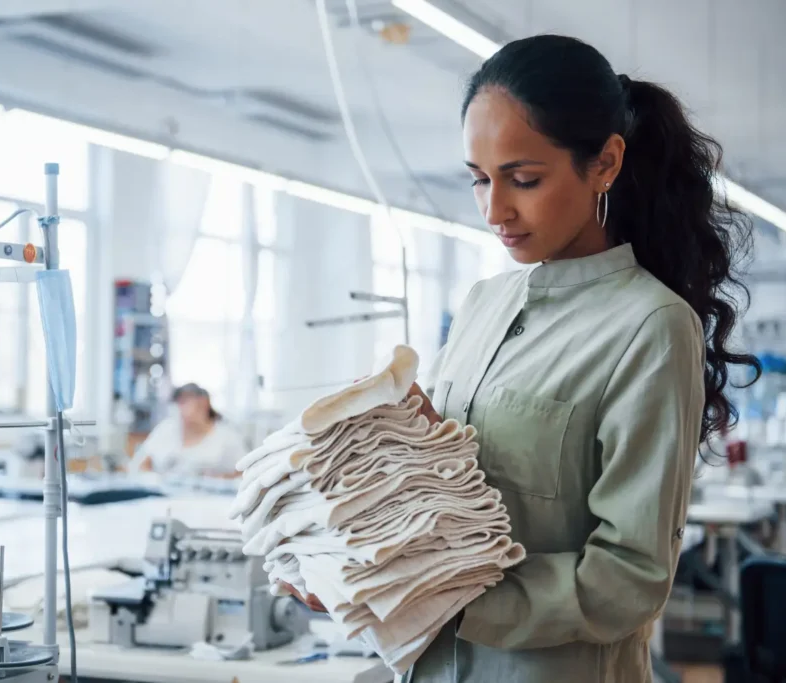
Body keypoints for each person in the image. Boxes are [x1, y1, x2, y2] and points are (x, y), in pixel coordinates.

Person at [283, 35, 761, 682]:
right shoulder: (483, 303)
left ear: (605, 164)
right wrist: (368, 548)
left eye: (523, 179)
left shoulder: (650, 327)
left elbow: (628, 577)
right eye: (478, 179)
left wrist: (440, 599)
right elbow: (455, 497)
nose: (493, 209)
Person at [128, 383, 245, 479]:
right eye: (179, 402)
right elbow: (141, 463)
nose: (181, 407)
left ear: (204, 403)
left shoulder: (227, 437)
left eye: (185, 401)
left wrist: (221, 478)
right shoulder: (166, 429)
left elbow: (245, 472)